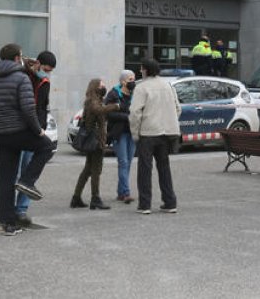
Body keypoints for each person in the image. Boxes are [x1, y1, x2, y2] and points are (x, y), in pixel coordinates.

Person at [0, 43, 55, 235]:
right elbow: (28, 109)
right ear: (16, 58)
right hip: (19, 132)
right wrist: (38, 131)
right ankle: (27, 181)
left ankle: (8, 224)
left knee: (5, 179)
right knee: (46, 147)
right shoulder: (21, 78)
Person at [130, 58, 182, 214]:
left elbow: (135, 113)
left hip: (148, 132)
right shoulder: (168, 85)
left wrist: (135, 133)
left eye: (141, 69)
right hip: (165, 132)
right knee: (164, 168)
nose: (140, 71)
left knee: (145, 170)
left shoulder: (141, 87)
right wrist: (169, 121)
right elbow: (178, 108)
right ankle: (170, 202)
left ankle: (145, 205)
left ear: (145, 70)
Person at [13, 50, 56, 228]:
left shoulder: (44, 82)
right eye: (46, 69)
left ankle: (21, 210)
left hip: (35, 131)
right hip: (21, 129)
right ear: (37, 63)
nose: (47, 73)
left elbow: (43, 107)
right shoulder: (22, 75)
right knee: (16, 171)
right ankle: (11, 210)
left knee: (28, 173)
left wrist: (42, 127)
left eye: (50, 71)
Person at [71, 77, 120, 210]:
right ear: (95, 87)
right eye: (101, 86)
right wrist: (115, 106)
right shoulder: (93, 101)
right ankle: (95, 198)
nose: (104, 88)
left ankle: (76, 197)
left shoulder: (95, 100)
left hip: (94, 139)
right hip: (95, 140)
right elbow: (99, 110)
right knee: (96, 170)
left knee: (88, 169)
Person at [105, 70, 137, 202]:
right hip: (119, 133)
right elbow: (108, 113)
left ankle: (121, 192)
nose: (133, 82)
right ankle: (126, 193)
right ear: (123, 81)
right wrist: (127, 117)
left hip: (132, 132)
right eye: (130, 79)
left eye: (134, 79)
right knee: (123, 162)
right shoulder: (113, 94)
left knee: (128, 162)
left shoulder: (135, 94)